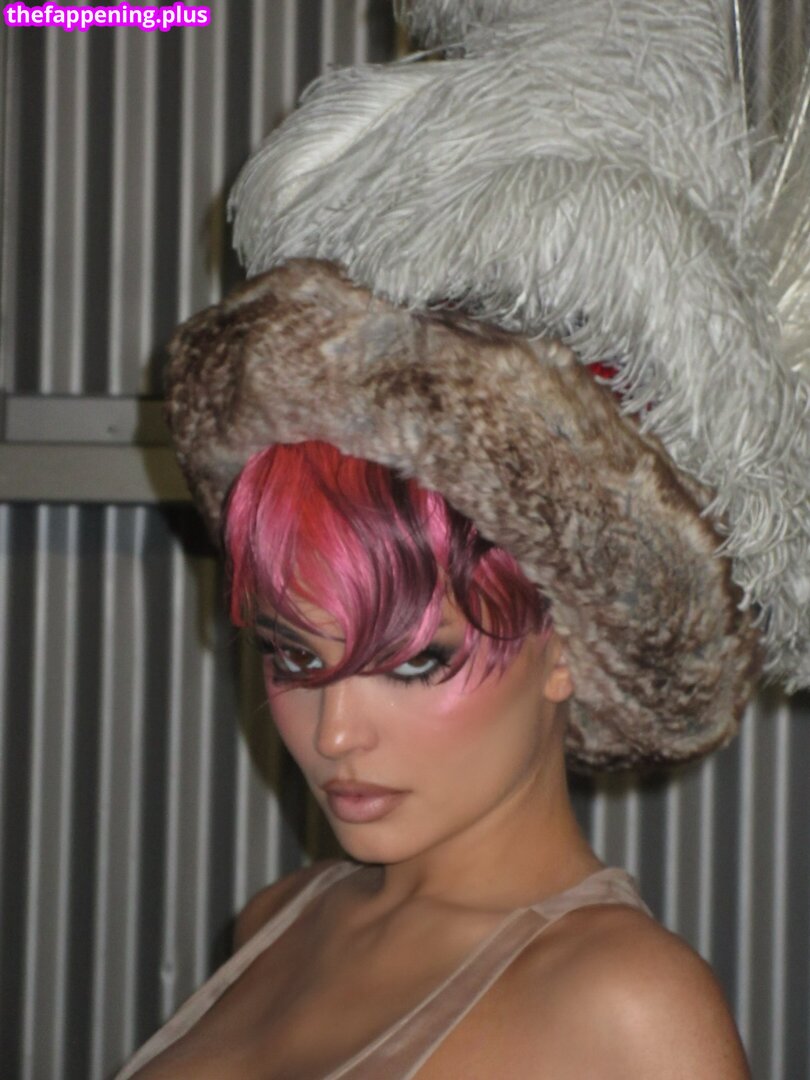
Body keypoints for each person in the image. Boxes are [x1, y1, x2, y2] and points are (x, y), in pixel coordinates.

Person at [116, 0, 809, 1075]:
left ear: (569, 643)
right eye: (294, 656)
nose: (335, 733)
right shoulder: (274, 926)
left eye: (415, 661)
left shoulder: (627, 1009)